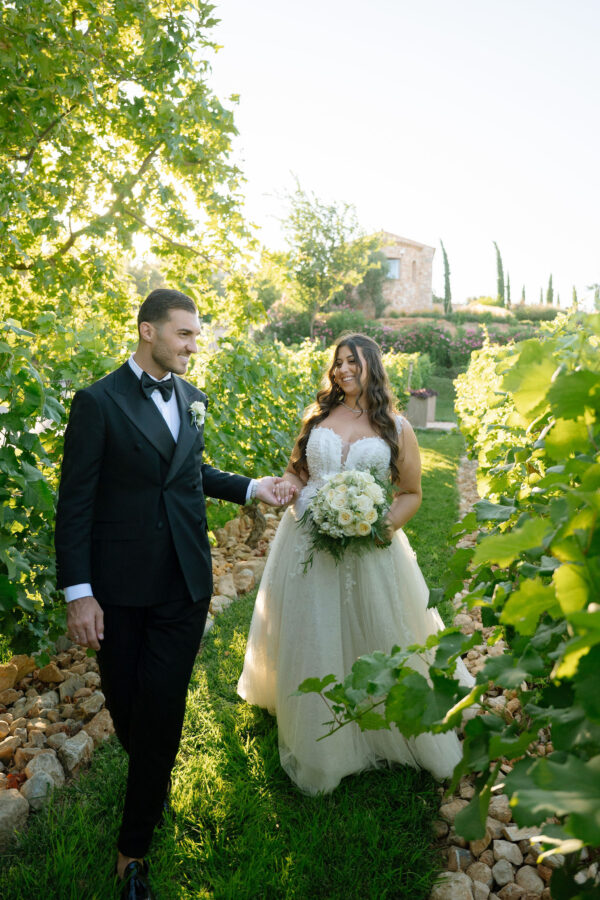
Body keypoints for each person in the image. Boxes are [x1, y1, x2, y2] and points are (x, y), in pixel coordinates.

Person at [54, 288, 294, 900]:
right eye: (184, 334)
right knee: (130, 707)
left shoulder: (193, 400)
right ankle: (153, 775)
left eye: (196, 334)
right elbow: (75, 503)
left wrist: (250, 487)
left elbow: (189, 474)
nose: (194, 345)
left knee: (161, 706)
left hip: (185, 582)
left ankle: (132, 852)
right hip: (117, 589)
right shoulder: (97, 402)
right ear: (147, 332)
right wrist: (80, 594)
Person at [237, 332, 473, 795]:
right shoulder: (319, 416)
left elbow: (411, 493)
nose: (343, 370)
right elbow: (297, 472)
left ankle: (382, 715)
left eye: (352, 362)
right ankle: (321, 733)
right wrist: (286, 487)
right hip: (307, 538)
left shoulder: (397, 428)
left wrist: (380, 526)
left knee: (379, 628)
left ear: (372, 367)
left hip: (369, 543)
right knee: (314, 627)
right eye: (338, 363)